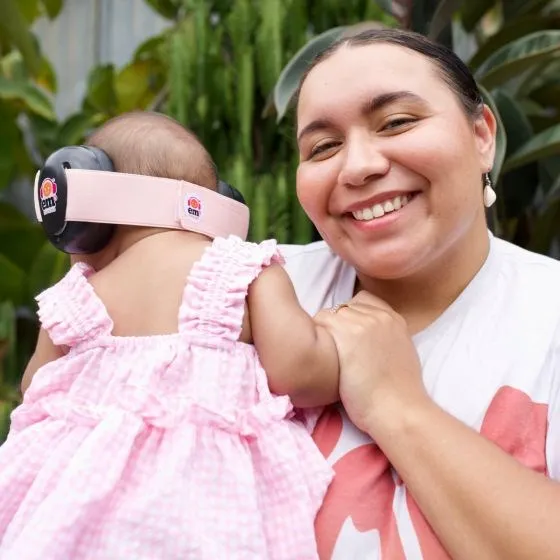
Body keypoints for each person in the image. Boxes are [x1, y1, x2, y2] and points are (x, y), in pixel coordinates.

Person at [0, 112, 339, 559]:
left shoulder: (76, 296)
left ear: (79, 208)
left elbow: (35, 394)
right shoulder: (242, 269)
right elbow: (299, 374)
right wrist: (337, 331)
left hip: (68, 529)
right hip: (210, 520)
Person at [282, 28, 560, 559]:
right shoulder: (255, 291)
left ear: (482, 136)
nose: (359, 165)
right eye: (323, 147)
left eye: (397, 122)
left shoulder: (548, 321)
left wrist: (396, 404)